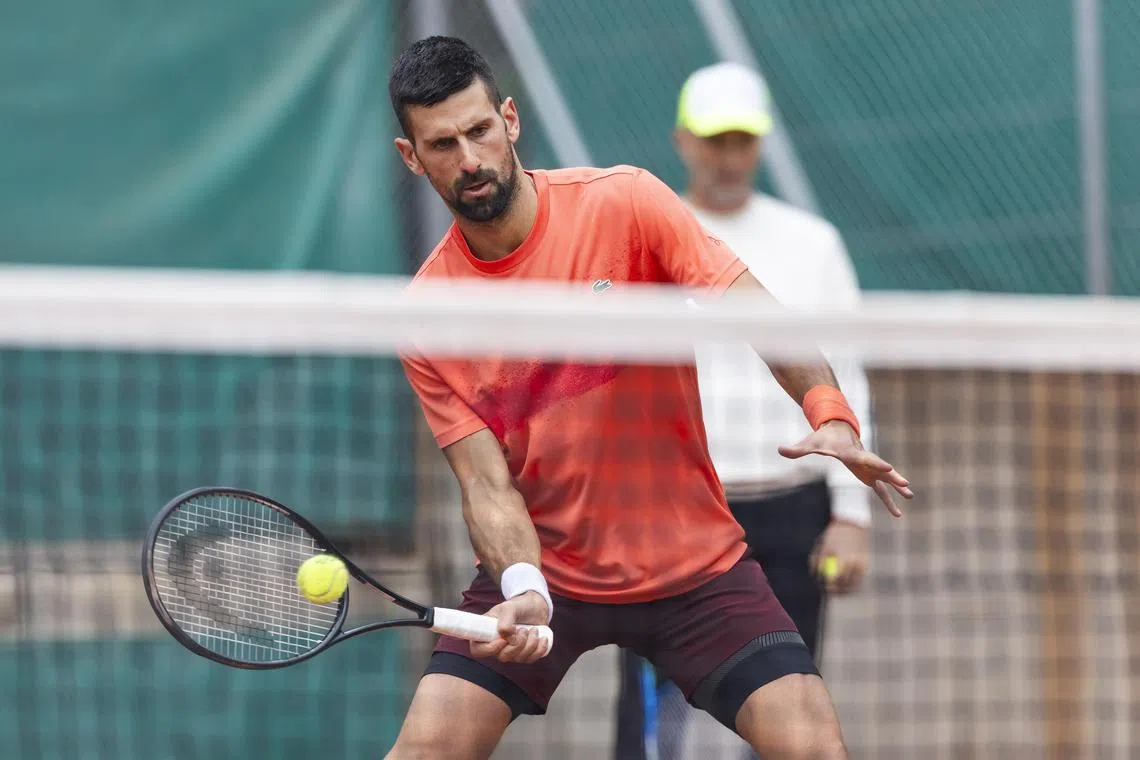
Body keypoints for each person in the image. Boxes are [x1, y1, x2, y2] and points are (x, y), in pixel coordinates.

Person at [385, 36, 912, 760]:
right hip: (550, 572)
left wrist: (830, 412)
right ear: (411, 157)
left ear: (509, 119)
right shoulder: (429, 312)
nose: (469, 159)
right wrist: (524, 584)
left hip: (695, 568)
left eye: (478, 130)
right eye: (442, 144)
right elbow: (485, 483)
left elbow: (755, 313)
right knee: (425, 747)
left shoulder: (625, 203)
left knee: (814, 745)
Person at [613, 61, 876, 760]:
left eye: (742, 139)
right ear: (683, 140)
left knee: (788, 717)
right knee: (652, 724)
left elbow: (845, 372)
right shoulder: (640, 233)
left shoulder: (813, 244)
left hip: (790, 513)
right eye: (714, 139)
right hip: (670, 516)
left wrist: (851, 515)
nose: (729, 155)